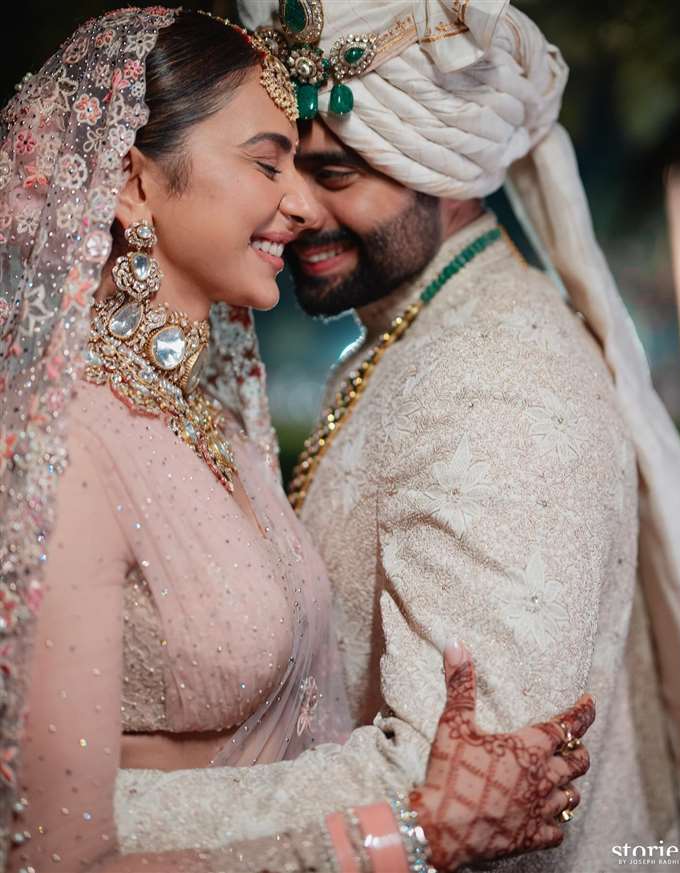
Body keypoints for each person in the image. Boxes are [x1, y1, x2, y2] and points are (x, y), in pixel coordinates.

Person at [0, 7, 596, 873]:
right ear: (134, 186)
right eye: (266, 163)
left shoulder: (217, 419)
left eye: (319, 168)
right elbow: (52, 852)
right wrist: (414, 831)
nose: (297, 203)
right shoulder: (66, 447)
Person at [239, 0, 680, 870]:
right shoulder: (425, 332)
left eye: (334, 173)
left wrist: (114, 809)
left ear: (447, 170)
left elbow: (453, 800)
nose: (290, 204)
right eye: (286, 166)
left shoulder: (499, 388)